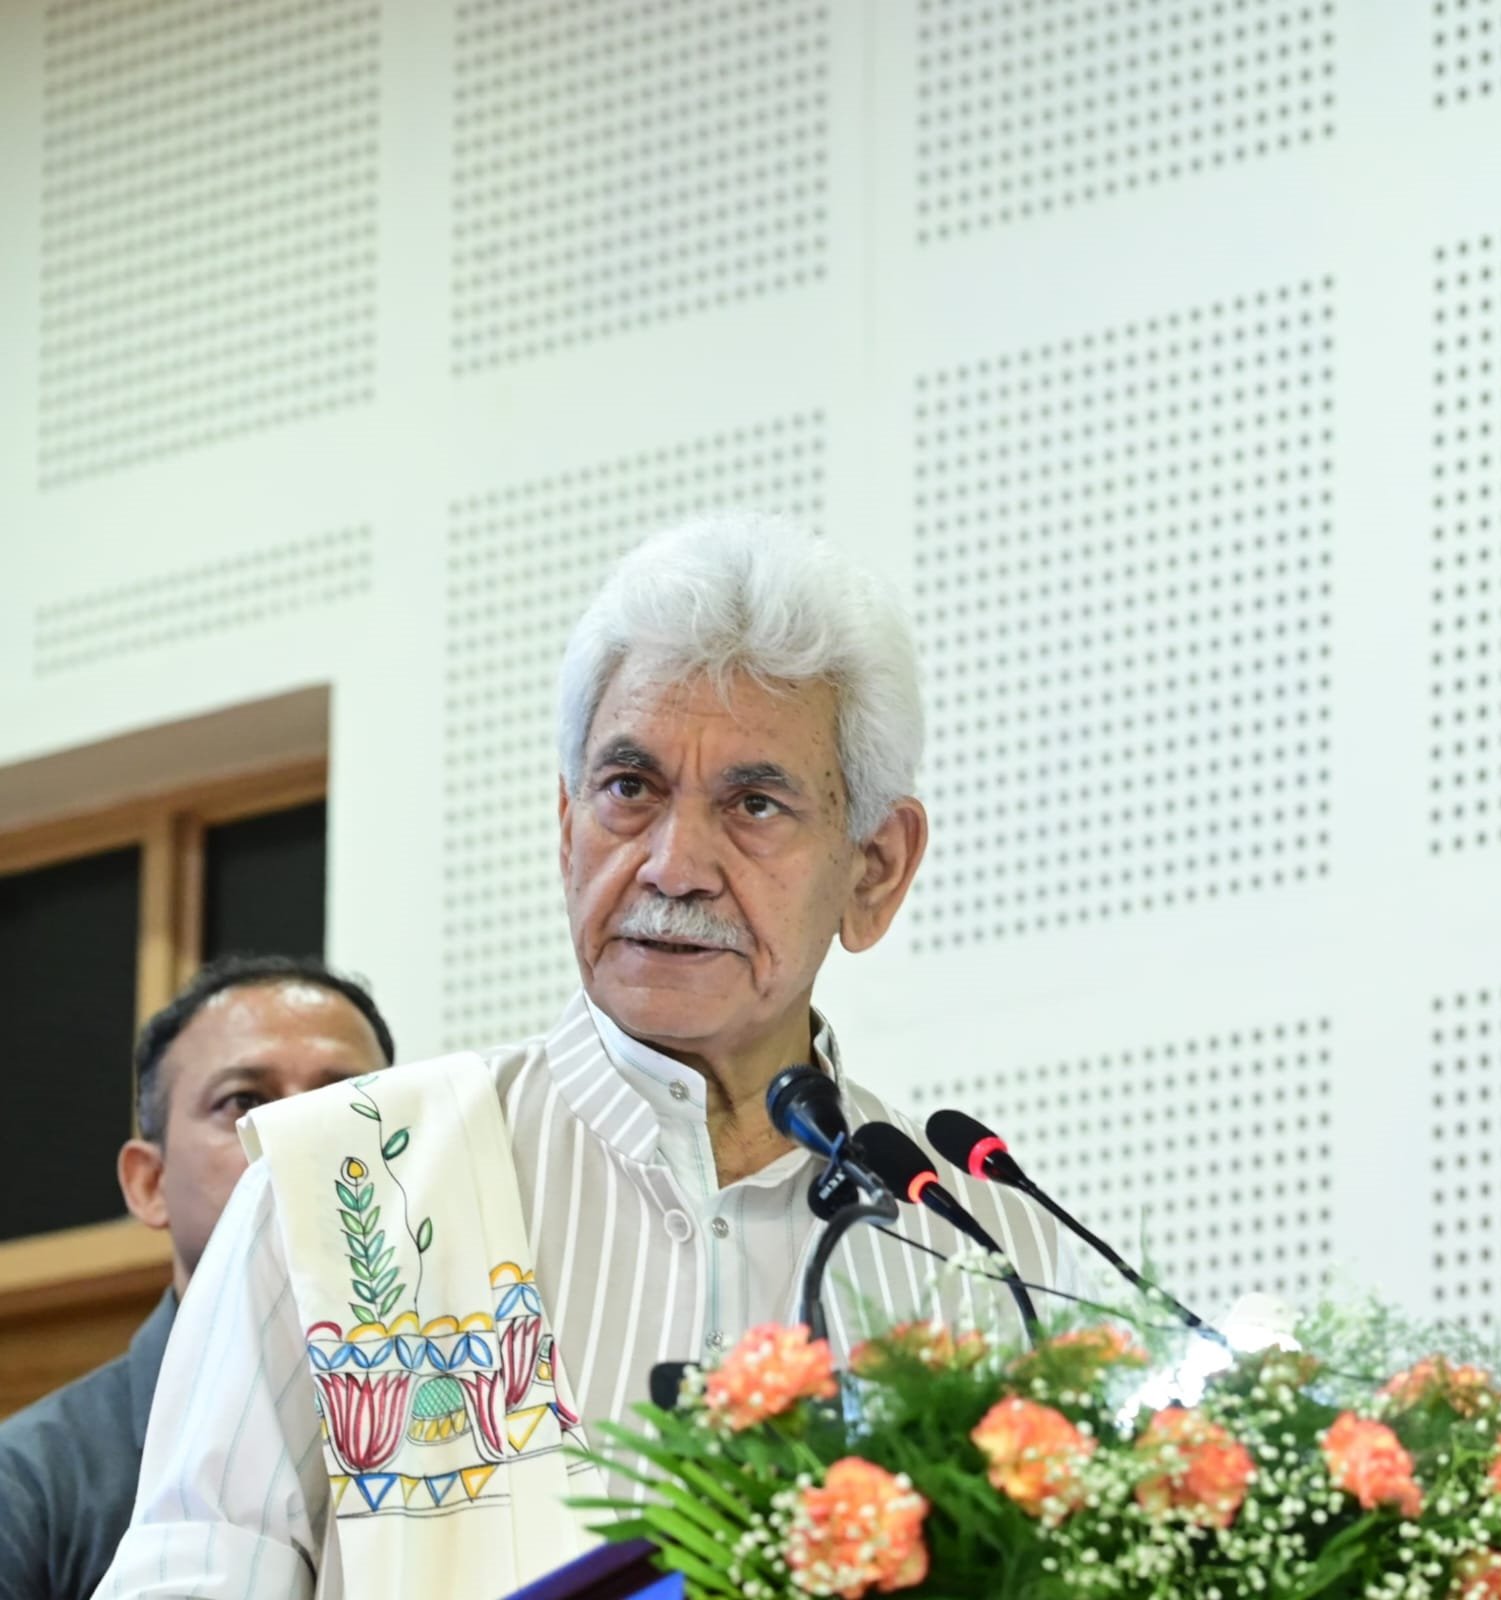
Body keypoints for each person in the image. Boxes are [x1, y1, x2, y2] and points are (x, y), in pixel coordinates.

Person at [96, 515, 1068, 1600]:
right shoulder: (338, 1186)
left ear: (875, 868)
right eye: (630, 789)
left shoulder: (985, 1244)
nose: (674, 864)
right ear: (567, 826)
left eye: (754, 804)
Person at [0, 954, 395, 1600]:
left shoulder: (468, 1413)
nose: (297, 1133)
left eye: (343, 1100)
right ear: (149, 1183)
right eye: (245, 1101)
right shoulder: (27, 1482)